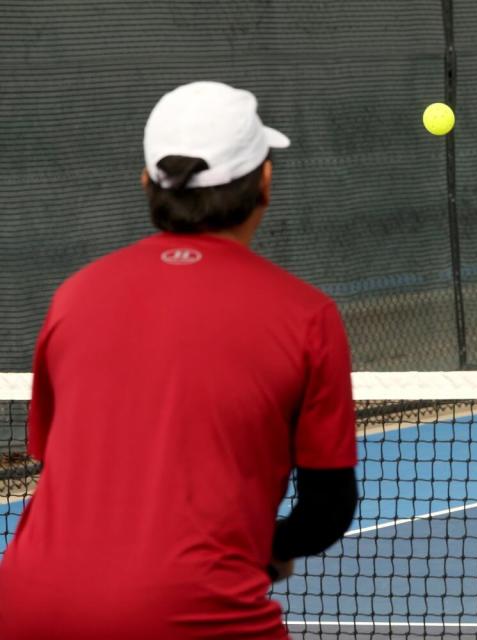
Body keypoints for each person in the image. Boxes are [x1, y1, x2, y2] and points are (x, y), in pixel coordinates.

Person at [0, 81, 359, 639]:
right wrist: (274, 547)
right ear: (265, 182)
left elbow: (62, 468)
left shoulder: (74, 295)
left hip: (26, 607)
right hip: (194, 613)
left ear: (148, 183)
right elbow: (327, 508)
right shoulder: (308, 316)